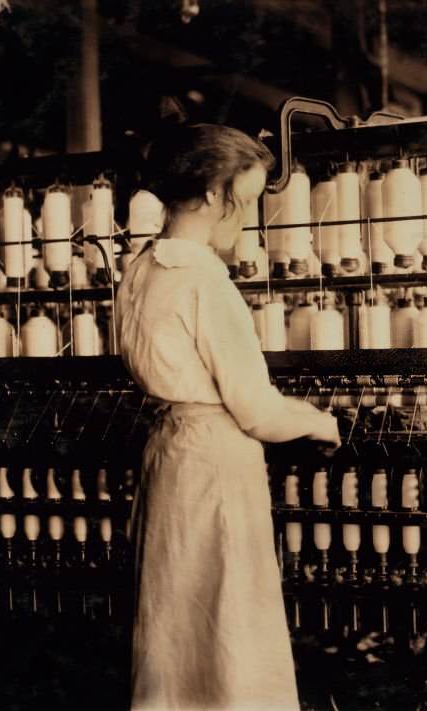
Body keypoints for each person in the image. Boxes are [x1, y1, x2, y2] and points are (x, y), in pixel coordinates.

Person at [117, 123, 340, 710]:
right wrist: (323, 422)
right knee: (229, 634)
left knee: (174, 626)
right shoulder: (204, 280)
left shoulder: (139, 268)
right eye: (247, 199)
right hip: (216, 462)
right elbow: (257, 410)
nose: (249, 216)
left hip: (169, 453)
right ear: (215, 193)